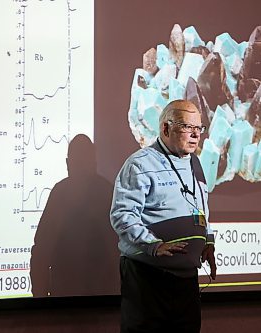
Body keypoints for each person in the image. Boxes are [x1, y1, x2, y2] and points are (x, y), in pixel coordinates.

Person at [110, 99, 217, 332]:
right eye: (187, 127)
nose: (196, 135)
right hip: (149, 277)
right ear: (166, 128)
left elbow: (202, 209)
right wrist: (153, 245)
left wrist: (207, 242)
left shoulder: (196, 164)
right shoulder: (140, 163)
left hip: (186, 280)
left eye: (199, 128)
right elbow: (122, 214)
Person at [30, 134, 120, 297]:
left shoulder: (62, 194)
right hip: (100, 301)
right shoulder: (108, 192)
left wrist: (40, 300)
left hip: (85, 301)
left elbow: (41, 253)